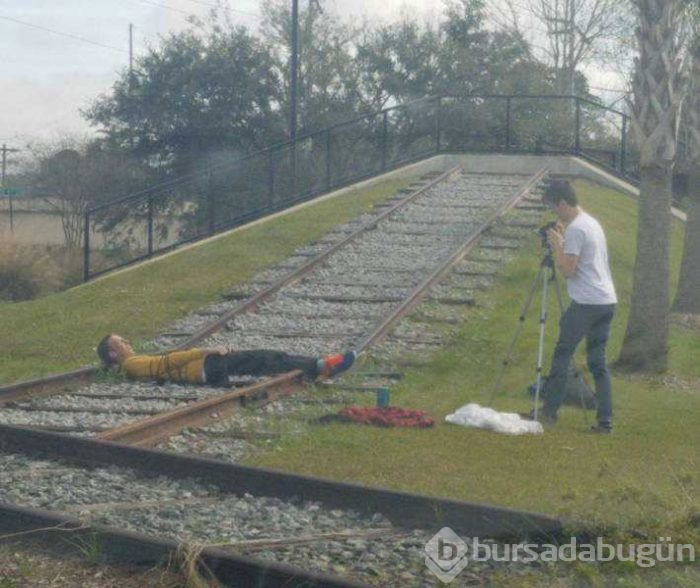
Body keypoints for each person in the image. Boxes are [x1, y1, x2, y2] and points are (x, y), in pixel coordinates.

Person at [533, 179, 617, 433]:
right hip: (606, 300)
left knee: (562, 355)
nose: (554, 213)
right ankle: (605, 421)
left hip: (586, 304)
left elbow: (568, 270)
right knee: (597, 362)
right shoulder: (592, 223)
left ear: (562, 202)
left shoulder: (576, 230)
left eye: (553, 207)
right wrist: (562, 240)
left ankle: (549, 412)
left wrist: (557, 243)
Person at [96, 334, 356, 386]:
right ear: (112, 354)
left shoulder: (133, 363)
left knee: (265, 359)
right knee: (265, 358)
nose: (128, 342)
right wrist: (206, 350)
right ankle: (322, 366)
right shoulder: (131, 364)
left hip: (204, 370)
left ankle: (319, 366)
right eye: (121, 343)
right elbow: (166, 363)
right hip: (206, 366)